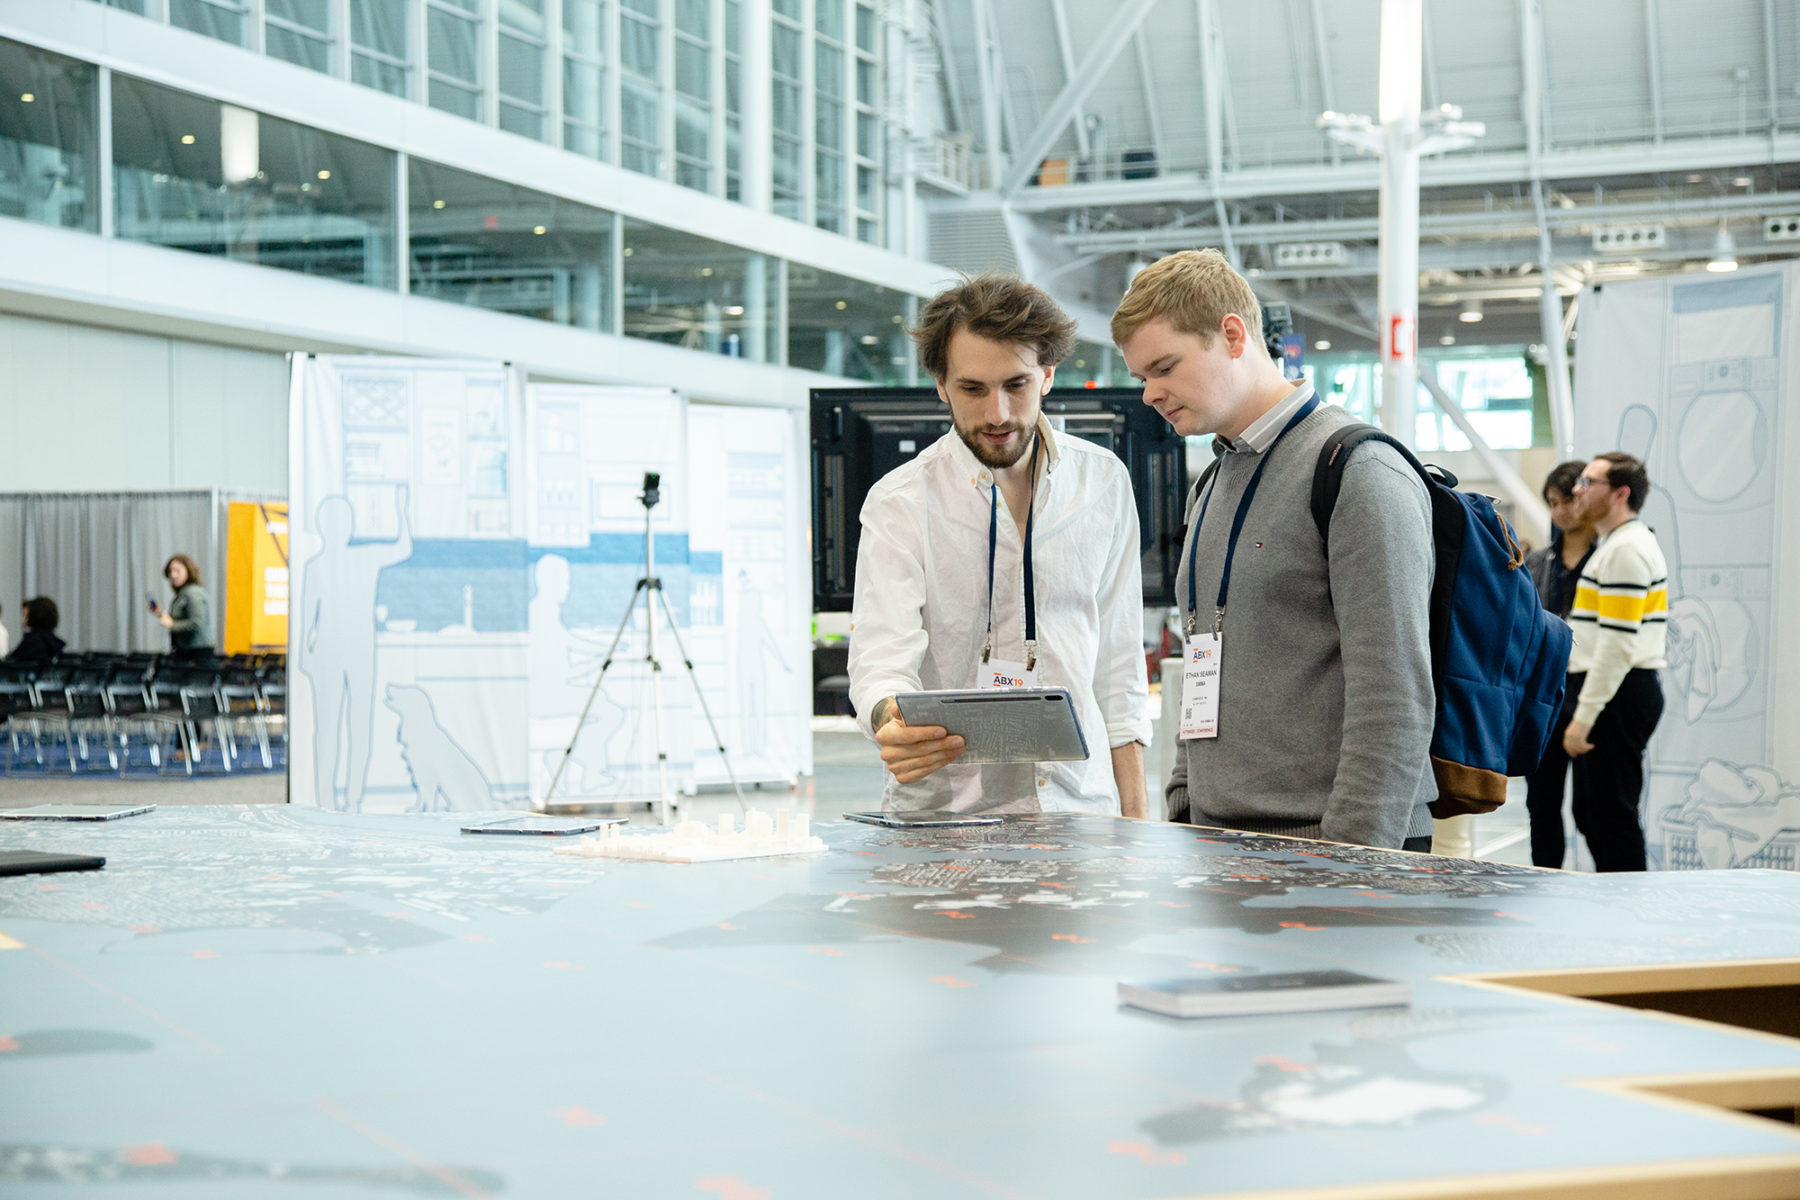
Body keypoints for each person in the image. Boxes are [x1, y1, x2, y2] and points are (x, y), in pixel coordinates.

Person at [1114, 249, 1436, 850]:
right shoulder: (1211, 484)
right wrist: (1187, 805)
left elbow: (1395, 695)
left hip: (1332, 849)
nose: (1150, 394)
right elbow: (1206, 652)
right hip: (1217, 842)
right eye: (1141, 378)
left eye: (1164, 367)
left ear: (1232, 335)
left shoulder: (1358, 471)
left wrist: (1352, 862)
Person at [847, 274, 1152, 816]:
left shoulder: (1103, 482)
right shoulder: (899, 501)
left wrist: (1136, 820)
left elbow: (1118, 667)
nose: (998, 415)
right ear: (941, 384)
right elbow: (880, 658)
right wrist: (888, 719)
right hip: (945, 823)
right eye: (972, 389)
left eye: (1016, 385)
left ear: (1048, 376)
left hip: (1080, 817)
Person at [1562, 452, 1668, 872]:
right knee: (1596, 817)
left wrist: (1584, 718)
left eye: (1589, 482)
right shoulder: (1617, 546)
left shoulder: (1627, 549)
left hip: (1617, 694)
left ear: (1620, 493)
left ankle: (1631, 920)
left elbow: (1618, 646)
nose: (1577, 489)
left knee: (1612, 820)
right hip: (1613, 692)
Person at [1522, 461, 1598, 867]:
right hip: (1548, 698)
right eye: (1552, 503)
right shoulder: (1538, 563)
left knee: (1597, 812)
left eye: (1566, 499)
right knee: (1542, 805)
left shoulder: (1608, 559)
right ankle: (1543, 887)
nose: (1561, 511)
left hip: (1594, 698)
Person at [156, 554, 215, 657]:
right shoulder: (183, 593)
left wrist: (171, 625)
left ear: (188, 571)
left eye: (177, 571)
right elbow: (178, 619)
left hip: (196, 654)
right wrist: (161, 614)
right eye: (170, 571)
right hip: (186, 651)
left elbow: (196, 623)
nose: (173, 575)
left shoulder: (193, 593)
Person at [6, 597, 65, 665]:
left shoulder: (32, 642)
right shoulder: (54, 643)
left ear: (34, 615)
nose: (23, 620)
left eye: (26, 616)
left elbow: (12, 665)